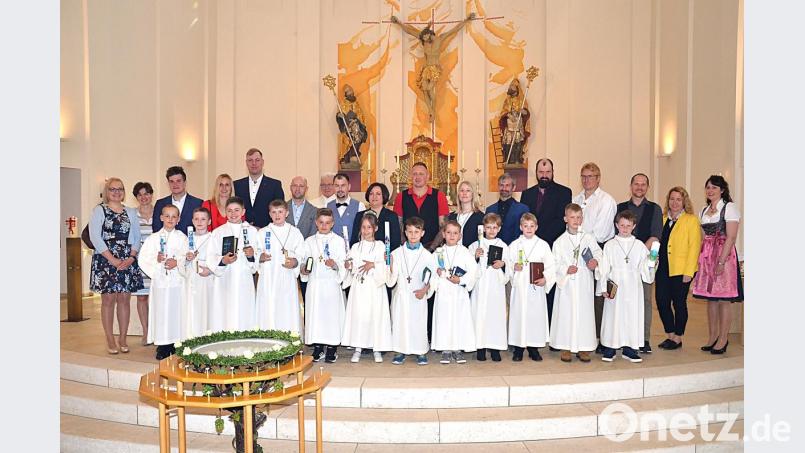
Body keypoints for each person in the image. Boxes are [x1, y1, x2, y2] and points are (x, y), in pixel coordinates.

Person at [89, 178, 144, 354]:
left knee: (124, 299)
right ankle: (110, 339)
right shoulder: (99, 210)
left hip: (127, 259)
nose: (116, 192)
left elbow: (137, 236)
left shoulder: (130, 212)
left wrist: (131, 257)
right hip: (106, 259)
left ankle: (122, 338)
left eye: (120, 189)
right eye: (112, 189)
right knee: (108, 300)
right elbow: (95, 237)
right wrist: (112, 259)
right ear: (107, 191)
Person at [390, 13, 475, 123]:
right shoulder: (423, 40)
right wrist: (398, 22)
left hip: (435, 68)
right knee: (425, 89)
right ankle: (431, 111)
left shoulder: (439, 39)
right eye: (423, 38)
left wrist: (467, 19)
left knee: (430, 89)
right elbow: (409, 31)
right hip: (426, 67)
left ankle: (433, 111)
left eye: (426, 37)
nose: (424, 39)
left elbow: (454, 30)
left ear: (430, 34)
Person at [692, 176, 743, 355]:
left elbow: (731, 237)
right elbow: (702, 237)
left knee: (723, 299)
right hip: (707, 256)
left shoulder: (729, 208)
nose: (710, 190)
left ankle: (723, 338)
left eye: (714, 187)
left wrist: (721, 261)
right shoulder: (704, 210)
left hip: (724, 255)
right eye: (708, 187)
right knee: (710, 299)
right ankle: (713, 337)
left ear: (722, 190)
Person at [597, 211, 656, 363]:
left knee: (631, 315)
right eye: (622, 225)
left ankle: (629, 348)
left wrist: (651, 263)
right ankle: (610, 347)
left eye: (628, 226)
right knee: (613, 315)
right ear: (616, 225)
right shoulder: (610, 245)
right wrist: (604, 286)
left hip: (632, 286)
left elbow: (645, 268)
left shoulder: (639, 245)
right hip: (615, 284)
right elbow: (604, 267)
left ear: (633, 226)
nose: (625, 228)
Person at [519, 158, 573, 324]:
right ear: (536, 173)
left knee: (549, 287)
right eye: (541, 172)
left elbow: (560, 220)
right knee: (530, 288)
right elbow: (524, 219)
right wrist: (532, 239)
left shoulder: (564, 192)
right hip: (530, 248)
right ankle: (530, 325)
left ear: (553, 172)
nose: (544, 176)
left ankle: (549, 327)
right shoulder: (527, 194)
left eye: (547, 172)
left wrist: (540, 240)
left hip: (550, 246)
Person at [549, 203, 602, 363]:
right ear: (565, 219)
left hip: (584, 281)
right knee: (566, 313)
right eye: (572, 217)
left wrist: (595, 261)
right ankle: (566, 347)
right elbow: (554, 264)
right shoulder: (560, 241)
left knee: (584, 313)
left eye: (579, 217)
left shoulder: (589, 238)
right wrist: (565, 269)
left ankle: (584, 347)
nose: (576, 220)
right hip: (567, 285)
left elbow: (598, 253)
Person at [572, 162, 617, 353]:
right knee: (580, 295)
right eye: (583, 176)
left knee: (597, 298)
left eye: (591, 176)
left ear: (598, 178)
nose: (586, 180)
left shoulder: (607, 201)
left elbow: (600, 232)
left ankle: (599, 338)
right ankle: (580, 335)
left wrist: (582, 241)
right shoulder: (577, 198)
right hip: (577, 249)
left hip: (597, 250)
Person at [617, 173, 663, 354]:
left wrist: (637, 253)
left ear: (647, 187)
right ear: (631, 186)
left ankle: (643, 339)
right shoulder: (620, 207)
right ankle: (621, 336)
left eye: (643, 184)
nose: (639, 187)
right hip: (621, 264)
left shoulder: (655, 209)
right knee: (621, 301)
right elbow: (618, 233)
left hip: (643, 262)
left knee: (644, 300)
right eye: (636, 184)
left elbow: (655, 234)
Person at [139, 205, 189, 360]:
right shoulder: (153, 238)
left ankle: (176, 343)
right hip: (160, 283)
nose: (170, 219)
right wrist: (157, 260)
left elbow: (187, 256)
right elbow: (143, 259)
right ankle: (162, 345)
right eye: (167, 216)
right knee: (161, 312)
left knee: (176, 312)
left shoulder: (182, 238)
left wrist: (178, 262)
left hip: (177, 283)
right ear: (161, 218)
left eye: (174, 217)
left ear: (178, 219)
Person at [342, 214, 393, 363]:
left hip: (374, 287)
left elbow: (386, 265)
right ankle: (358, 347)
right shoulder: (355, 247)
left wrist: (374, 265)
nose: (366, 230)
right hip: (359, 287)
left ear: (375, 228)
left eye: (369, 227)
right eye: (363, 227)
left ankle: (376, 348)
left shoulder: (381, 246)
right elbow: (350, 265)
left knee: (374, 316)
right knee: (359, 316)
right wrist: (348, 266)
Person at [656, 187, 702, 350]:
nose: (674, 202)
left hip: (681, 270)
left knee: (679, 304)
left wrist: (689, 273)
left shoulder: (691, 220)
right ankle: (670, 334)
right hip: (662, 269)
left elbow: (694, 247)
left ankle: (678, 337)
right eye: (672, 199)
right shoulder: (661, 219)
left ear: (684, 202)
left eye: (678, 199)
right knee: (661, 302)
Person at [300, 208, 348, 363]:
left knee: (331, 317)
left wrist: (335, 265)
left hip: (331, 284)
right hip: (315, 284)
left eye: (327, 223)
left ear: (332, 223)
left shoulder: (338, 241)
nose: (324, 226)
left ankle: (332, 348)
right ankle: (318, 347)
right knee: (316, 316)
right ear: (316, 223)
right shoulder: (309, 242)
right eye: (321, 222)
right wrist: (304, 269)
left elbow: (343, 263)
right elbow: (304, 261)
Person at [507, 213, 556, 361]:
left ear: (536, 227)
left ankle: (534, 348)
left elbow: (551, 265)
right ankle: (518, 348)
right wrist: (513, 267)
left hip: (536, 287)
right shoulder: (514, 245)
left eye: (532, 226)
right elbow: (508, 263)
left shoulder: (543, 245)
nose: (529, 229)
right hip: (520, 286)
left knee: (535, 316)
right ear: (521, 227)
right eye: (526, 226)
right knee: (519, 315)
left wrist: (545, 278)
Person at [388, 217, 436, 366]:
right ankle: (400, 350)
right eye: (410, 231)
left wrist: (425, 290)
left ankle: (420, 350)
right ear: (405, 232)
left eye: (417, 231)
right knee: (400, 322)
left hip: (418, 295)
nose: (413, 234)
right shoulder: (396, 253)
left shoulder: (428, 256)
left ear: (422, 233)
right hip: (402, 295)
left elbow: (432, 277)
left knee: (418, 322)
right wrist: (389, 265)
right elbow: (391, 279)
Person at [206, 196, 259, 332]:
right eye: (229, 210)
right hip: (225, 280)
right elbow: (211, 256)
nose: (233, 214)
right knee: (225, 312)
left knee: (244, 311)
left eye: (237, 210)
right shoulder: (218, 232)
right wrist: (223, 261)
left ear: (243, 211)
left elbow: (257, 258)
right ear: (225, 212)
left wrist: (252, 255)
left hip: (244, 279)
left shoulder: (252, 231)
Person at [432, 221, 478, 364]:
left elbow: (474, 272)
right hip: (444, 292)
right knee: (444, 320)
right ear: (443, 234)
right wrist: (437, 273)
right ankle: (445, 349)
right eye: (449, 232)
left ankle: (458, 349)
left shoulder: (464, 252)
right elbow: (431, 270)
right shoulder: (438, 253)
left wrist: (461, 280)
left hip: (459, 292)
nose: (452, 235)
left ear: (460, 236)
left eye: (455, 233)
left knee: (459, 320)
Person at [255, 200, 305, 333]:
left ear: (287, 213)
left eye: (280, 212)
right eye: (274, 212)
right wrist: (260, 257)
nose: (277, 215)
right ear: (269, 214)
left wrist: (295, 261)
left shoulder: (295, 232)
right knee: (268, 306)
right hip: (268, 278)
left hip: (286, 276)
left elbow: (301, 253)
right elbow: (255, 252)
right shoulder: (262, 232)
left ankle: (289, 339)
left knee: (286, 307)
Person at [468, 213, 509, 362]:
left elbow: (508, 266)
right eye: (488, 227)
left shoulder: (503, 245)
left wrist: (503, 265)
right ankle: (480, 347)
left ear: (499, 229)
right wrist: (475, 257)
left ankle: (495, 348)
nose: (491, 230)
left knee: (495, 316)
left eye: (494, 227)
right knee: (479, 314)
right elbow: (468, 266)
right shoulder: (475, 245)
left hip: (496, 286)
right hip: (480, 285)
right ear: (483, 228)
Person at [393, 162, 450, 251]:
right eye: (415, 174)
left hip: (433, 249)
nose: (418, 177)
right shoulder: (401, 197)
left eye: (421, 174)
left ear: (427, 176)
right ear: (411, 177)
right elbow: (398, 225)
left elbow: (443, 226)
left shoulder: (439, 196)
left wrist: (431, 248)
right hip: (408, 249)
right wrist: (406, 246)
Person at [233, 148, 285, 229]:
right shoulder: (237, 185)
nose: (254, 163)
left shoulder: (275, 185)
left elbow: (280, 210)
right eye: (250, 160)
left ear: (262, 162)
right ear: (246, 163)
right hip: (242, 233)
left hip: (268, 233)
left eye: (257, 160)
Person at [183, 207, 214, 339]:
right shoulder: (186, 239)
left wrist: (211, 269)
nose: (199, 222)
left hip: (207, 280)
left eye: (203, 219)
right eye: (196, 219)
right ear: (192, 221)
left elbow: (219, 258)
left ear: (209, 221)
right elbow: (180, 260)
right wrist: (186, 258)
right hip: (191, 280)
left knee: (207, 310)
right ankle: (190, 339)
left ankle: (207, 339)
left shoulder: (213, 238)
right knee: (191, 310)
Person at [132, 181, 154, 345]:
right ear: (136, 197)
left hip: (157, 263)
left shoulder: (160, 212)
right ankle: (146, 332)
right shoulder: (132, 214)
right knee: (142, 298)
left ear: (151, 194)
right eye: (140, 194)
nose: (144, 197)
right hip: (140, 263)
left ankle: (157, 331)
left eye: (146, 193)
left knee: (158, 297)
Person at [350, 182, 401, 251]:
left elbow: (396, 242)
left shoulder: (391, 216)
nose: (374, 196)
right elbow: (354, 240)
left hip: (384, 257)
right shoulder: (360, 216)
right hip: (362, 256)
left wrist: (383, 257)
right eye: (371, 194)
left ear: (384, 196)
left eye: (378, 194)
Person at [152, 166, 204, 233]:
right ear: (168, 184)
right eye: (171, 181)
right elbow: (156, 228)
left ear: (185, 183)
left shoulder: (198, 203)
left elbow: (201, 228)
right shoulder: (160, 204)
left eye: (178, 181)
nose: (175, 184)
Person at [485, 173, 530, 245]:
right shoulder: (490, 210)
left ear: (514, 187)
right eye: (501, 185)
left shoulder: (523, 209)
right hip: (494, 251)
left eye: (507, 185)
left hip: (515, 250)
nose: (504, 188)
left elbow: (527, 233)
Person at [327, 173, 366, 242]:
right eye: (337, 186)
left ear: (349, 187)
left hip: (353, 250)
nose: (340, 189)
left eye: (343, 185)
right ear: (333, 187)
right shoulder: (327, 206)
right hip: (333, 250)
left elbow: (364, 231)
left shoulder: (360, 206)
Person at [447, 181, 485, 248]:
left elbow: (482, 241)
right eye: (462, 190)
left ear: (473, 194)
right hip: (452, 255)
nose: (464, 193)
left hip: (471, 255)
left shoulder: (480, 217)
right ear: (458, 194)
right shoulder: (451, 217)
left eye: (468, 190)